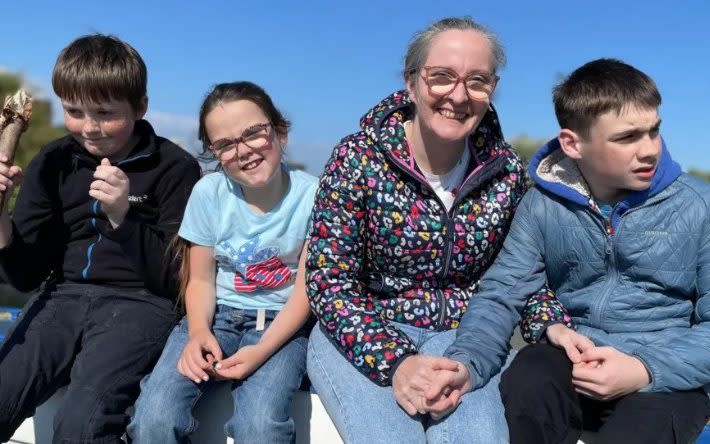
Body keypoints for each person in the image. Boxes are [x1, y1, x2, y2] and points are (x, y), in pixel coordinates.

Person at [305, 16, 571, 443]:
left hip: (467, 341)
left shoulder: (506, 174)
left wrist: (550, 326)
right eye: (441, 77)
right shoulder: (357, 159)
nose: (458, 95)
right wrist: (395, 361)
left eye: (478, 81)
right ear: (411, 83)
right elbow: (329, 280)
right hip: (364, 331)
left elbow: (520, 273)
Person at [432, 58, 710, 443]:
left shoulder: (700, 206)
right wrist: (466, 363)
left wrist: (643, 368)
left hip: (664, 378)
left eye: (654, 131)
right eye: (627, 137)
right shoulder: (542, 205)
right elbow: (501, 293)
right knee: (528, 376)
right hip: (576, 359)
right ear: (572, 144)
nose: (649, 150)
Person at [0, 34, 201, 442]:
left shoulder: (175, 168)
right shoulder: (52, 161)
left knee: (82, 423)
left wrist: (123, 218)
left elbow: (179, 281)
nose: (89, 128)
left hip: (142, 304)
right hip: (62, 295)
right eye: (74, 111)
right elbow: (23, 277)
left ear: (140, 106)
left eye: (105, 113)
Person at [127, 81, 317, 444]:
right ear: (213, 152)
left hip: (284, 327)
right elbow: (199, 280)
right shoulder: (208, 193)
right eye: (226, 144)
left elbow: (305, 294)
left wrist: (261, 350)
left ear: (280, 132)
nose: (243, 151)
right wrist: (198, 332)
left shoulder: (314, 196)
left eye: (254, 134)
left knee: (260, 427)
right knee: (155, 416)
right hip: (216, 318)